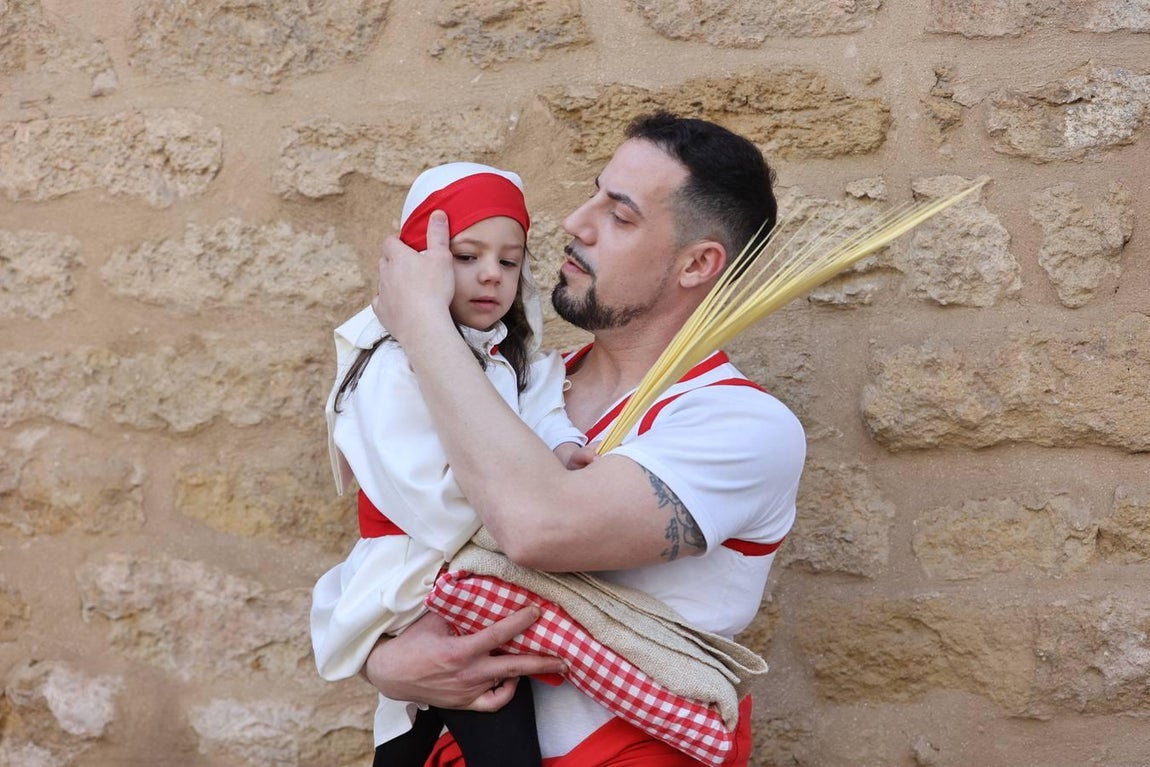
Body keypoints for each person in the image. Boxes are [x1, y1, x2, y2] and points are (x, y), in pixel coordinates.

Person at [364, 112, 807, 766]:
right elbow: (407, 551)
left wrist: (422, 321)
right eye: (594, 192)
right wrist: (384, 661)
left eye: (619, 215)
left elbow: (537, 526)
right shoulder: (520, 387)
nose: (576, 221)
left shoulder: (742, 426)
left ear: (697, 264)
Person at [309, 162, 588, 767]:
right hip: (419, 582)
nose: (491, 274)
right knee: (496, 734)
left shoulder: (515, 363)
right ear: (420, 262)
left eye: (509, 261)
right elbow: (423, 494)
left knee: (418, 745)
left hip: (474, 574)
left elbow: (544, 418)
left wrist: (564, 450)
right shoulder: (390, 369)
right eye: (465, 256)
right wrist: (531, 496)